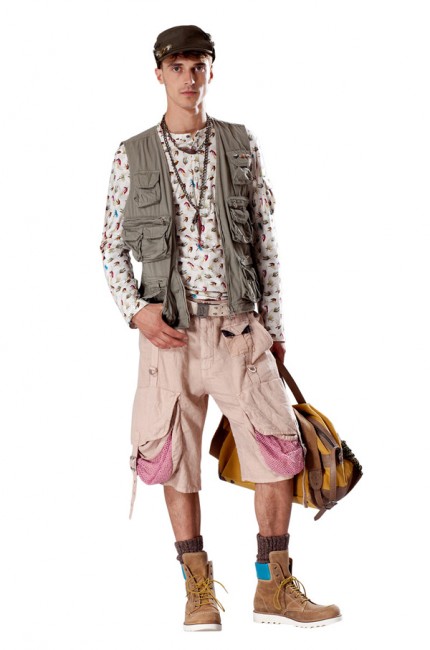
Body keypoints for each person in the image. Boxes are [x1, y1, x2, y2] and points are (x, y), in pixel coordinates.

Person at [100, 24, 342, 632]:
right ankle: (198, 592)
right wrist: (135, 310)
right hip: (169, 337)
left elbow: (265, 244)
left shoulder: (239, 143)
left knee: (279, 451)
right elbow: (109, 247)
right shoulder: (131, 154)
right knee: (172, 458)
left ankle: (272, 586)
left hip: (239, 331)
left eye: (198, 66)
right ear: (159, 73)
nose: (189, 78)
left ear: (211, 71)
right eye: (177, 66)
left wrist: (275, 330)